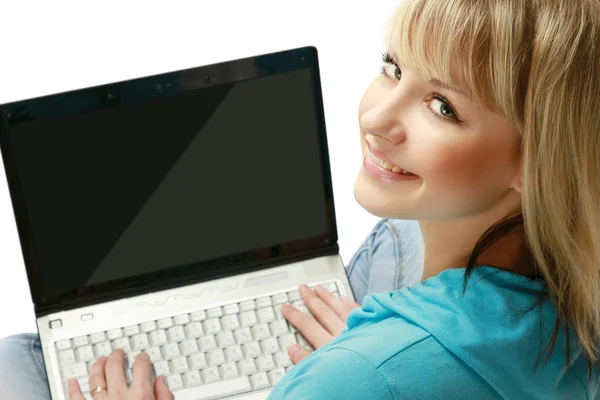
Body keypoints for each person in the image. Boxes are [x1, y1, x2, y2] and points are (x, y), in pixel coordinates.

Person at [2, 0, 600, 398]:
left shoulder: (342, 379)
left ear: (541, 161)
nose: (376, 117)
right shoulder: (576, 301)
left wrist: (358, 364)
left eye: (443, 107)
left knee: (17, 363)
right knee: (399, 232)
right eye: (392, 67)